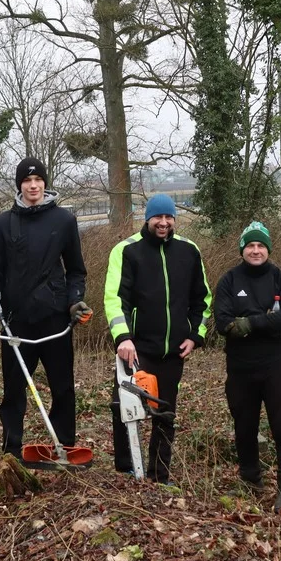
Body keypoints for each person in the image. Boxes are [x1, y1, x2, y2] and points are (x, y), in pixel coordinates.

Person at [0, 158, 89, 463]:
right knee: (14, 392)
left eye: (38, 179)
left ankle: (64, 445)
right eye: (27, 181)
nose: (33, 185)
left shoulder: (64, 221)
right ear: (20, 186)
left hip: (55, 320)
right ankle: (12, 451)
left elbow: (76, 272)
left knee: (63, 388)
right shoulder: (3, 224)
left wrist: (74, 300)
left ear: (45, 183)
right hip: (16, 323)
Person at [104, 193, 211, 485]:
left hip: (174, 350)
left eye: (168, 217)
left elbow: (202, 300)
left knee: (165, 414)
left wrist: (195, 336)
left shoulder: (189, 251)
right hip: (136, 349)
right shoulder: (126, 251)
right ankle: (126, 471)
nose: (163, 223)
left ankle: (159, 475)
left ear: (174, 219)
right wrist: (123, 337)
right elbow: (115, 299)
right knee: (123, 408)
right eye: (157, 218)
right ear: (147, 219)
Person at [213, 222, 281, 512]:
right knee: (244, 427)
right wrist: (265, 320)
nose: (255, 250)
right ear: (242, 249)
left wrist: (251, 321)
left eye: (260, 245)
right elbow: (223, 322)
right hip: (240, 369)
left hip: (276, 367)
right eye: (250, 245)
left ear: (268, 249)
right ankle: (250, 479)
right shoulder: (229, 280)